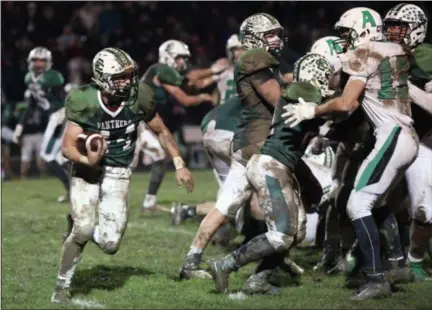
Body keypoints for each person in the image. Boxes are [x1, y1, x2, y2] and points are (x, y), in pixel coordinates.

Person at [283, 7, 418, 300]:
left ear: (363, 29)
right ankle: (397, 264)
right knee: (375, 199)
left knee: (357, 204)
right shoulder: (393, 48)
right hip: (402, 135)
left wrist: (313, 110)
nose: (344, 39)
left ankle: (376, 278)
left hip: (391, 135)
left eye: (346, 33)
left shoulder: (365, 52)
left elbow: (346, 104)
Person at [51, 47, 194, 303]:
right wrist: (89, 160)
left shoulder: (139, 96)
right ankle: (62, 286)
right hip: (86, 171)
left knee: (111, 245)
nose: (128, 82)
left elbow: (161, 131)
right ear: (102, 78)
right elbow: (67, 147)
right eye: (121, 77)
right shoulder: (84, 99)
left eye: (130, 75)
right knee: (84, 229)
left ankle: (77, 227)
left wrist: (179, 162)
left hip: (119, 171)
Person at [384, 2, 432, 281]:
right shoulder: (388, 53)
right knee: (378, 198)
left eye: (400, 27)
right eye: (390, 27)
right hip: (395, 133)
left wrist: (406, 86)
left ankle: (414, 260)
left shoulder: (424, 55)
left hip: (424, 138)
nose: (393, 33)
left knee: (423, 207)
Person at [139, 40, 212, 212]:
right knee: (150, 158)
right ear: (168, 56)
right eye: (179, 58)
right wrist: (204, 96)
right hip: (137, 121)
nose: (182, 62)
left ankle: (149, 201)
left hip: (147, 119)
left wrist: (213, 76)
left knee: (158, 158)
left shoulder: (166, 73)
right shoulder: (161, 71)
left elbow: (190, 82)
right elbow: (185, 98)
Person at [12, 47, 70, 202]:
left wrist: (65, 117)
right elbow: (31, 106)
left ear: (48, 62)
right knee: (58, 157)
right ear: (30, 62)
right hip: (53, 117)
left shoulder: (53, 76)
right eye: (35, 60)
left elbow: (65, 99)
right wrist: (20, 126)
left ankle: (74, 190)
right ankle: (76, 190)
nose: (38, 64)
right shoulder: (28, 78)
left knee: (48, 155)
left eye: (42, 60)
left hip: (60, 115)